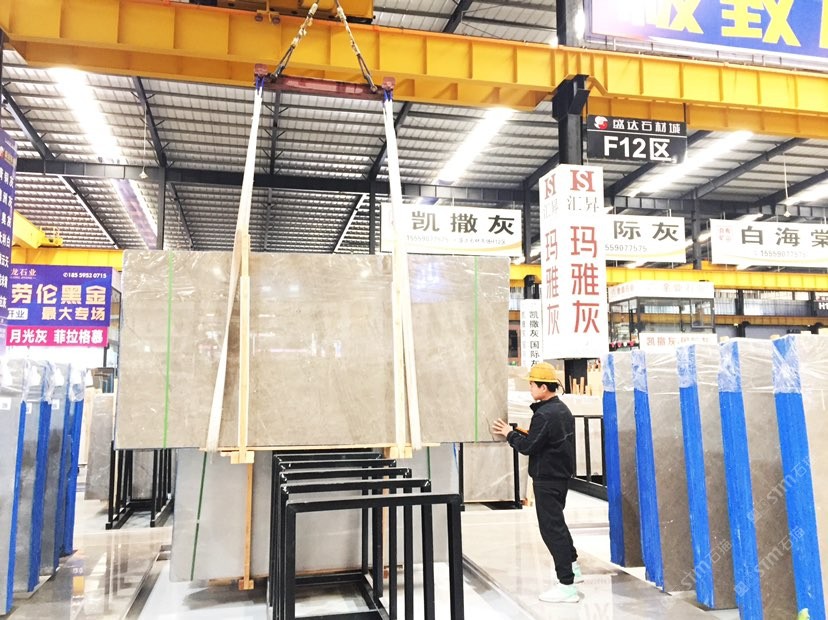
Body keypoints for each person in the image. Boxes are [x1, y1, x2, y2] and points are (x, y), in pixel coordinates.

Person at [491, 362, 581, 603]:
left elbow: (529, 447)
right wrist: (519, 432)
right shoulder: (561, 409)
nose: (530, 388)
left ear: (543, 387)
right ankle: (573, 566)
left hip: (547, 478)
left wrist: (509, 434)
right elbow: (544, 440)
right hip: (559, 477)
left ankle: (567, 586)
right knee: (557, 523)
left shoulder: (544, 414)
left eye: (532, 384)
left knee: (551, 529)